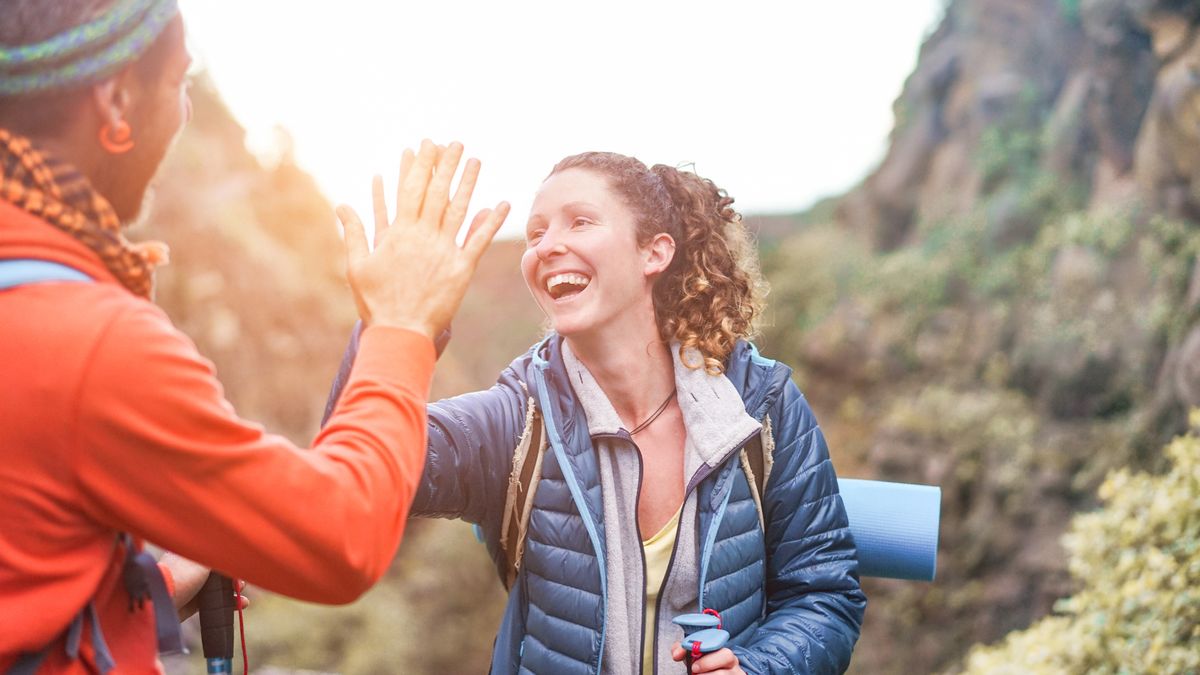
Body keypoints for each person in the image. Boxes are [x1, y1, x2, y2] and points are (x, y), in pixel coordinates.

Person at [0, 1, 508, 672]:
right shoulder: (90, 339)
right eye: (179, 83)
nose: (183, 112)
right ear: (118, 101)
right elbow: (341, 535)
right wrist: (402, 324)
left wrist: (153, 585)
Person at [328, 152, 867, 673]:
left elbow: (823, 592)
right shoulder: (519, 424)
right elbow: (352, 484)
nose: (547, 246)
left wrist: (758, 668)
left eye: (579, 222)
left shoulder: (761, 406)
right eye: (535, 233)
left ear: (654, 254)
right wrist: (396, 320)